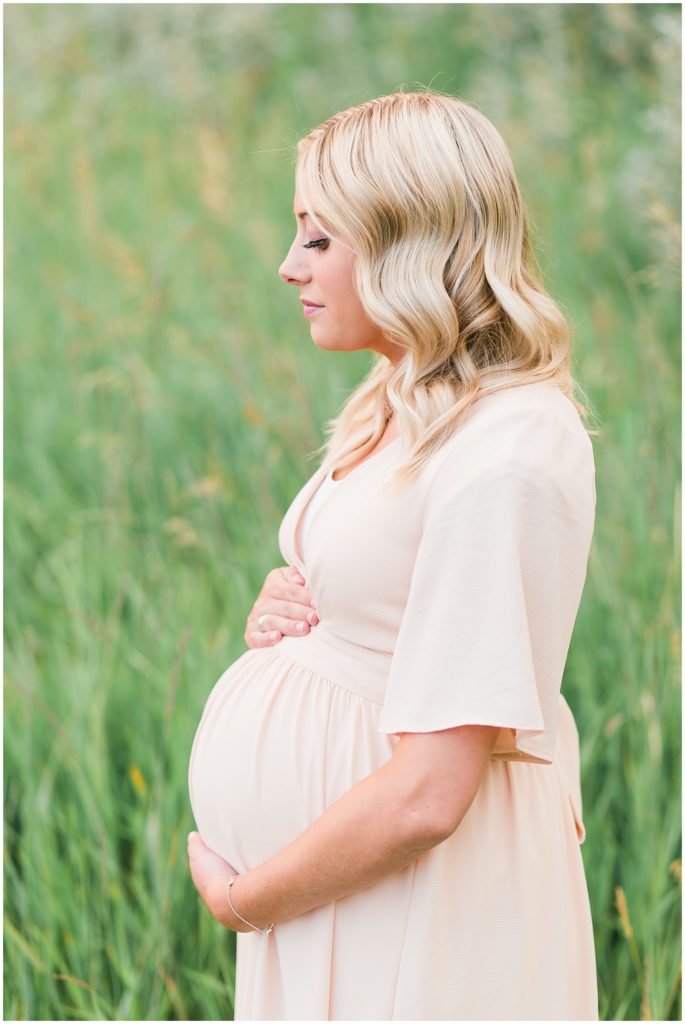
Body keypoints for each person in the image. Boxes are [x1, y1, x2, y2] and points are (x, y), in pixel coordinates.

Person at [186, 89, 599, 1021]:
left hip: (422, 905)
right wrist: (295, 622)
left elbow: (426, 794)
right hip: (348, 902)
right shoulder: (400, 398)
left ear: (413, 244)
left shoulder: (509, 450)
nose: (288, 266)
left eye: (319, 239)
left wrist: (249, 902)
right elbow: (388, 602)